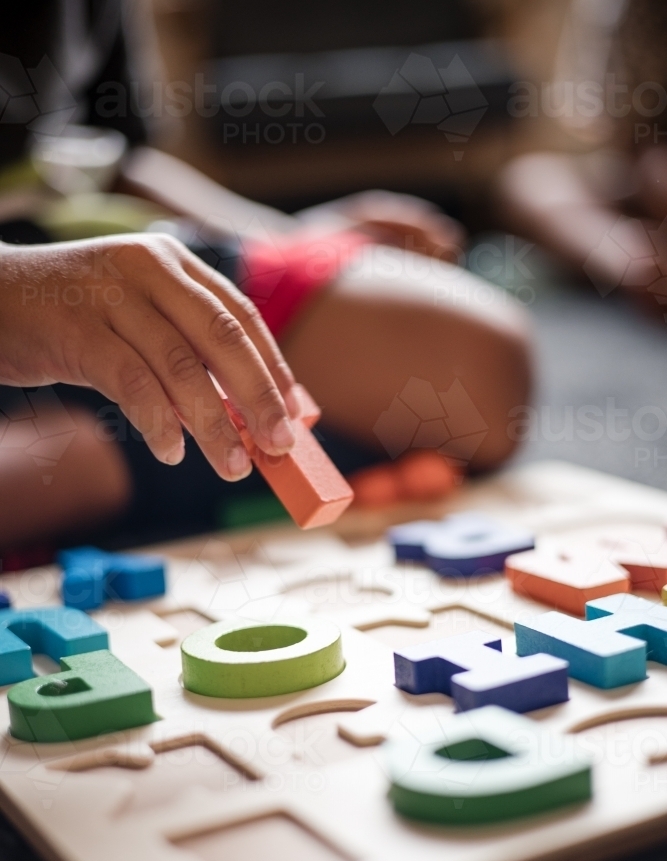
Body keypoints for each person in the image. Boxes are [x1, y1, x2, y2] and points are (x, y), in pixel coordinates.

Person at [0, 2, 532, 553]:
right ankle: (110, 459)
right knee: (57, 466)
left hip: (85, 239)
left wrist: (279, 233)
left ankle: (130, 452)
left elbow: (117, 153)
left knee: (478, 370)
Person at [498, 0, 667, 312]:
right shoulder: (628, 11)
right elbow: (627, 138)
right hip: (644, 176)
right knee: (532, 179)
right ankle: (638, 267)